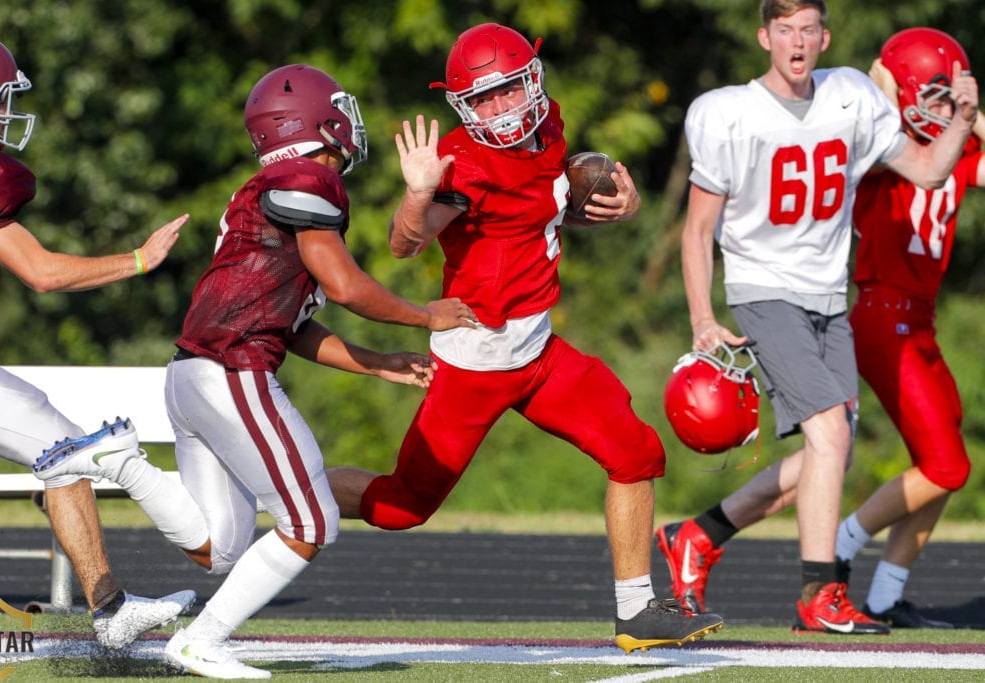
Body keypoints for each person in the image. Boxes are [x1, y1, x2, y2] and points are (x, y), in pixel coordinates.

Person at [326, 22, 725, 655]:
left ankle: (637, 611)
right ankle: (291, 486)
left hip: (538, 353)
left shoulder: (551, 128)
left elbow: (544, 201)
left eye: (507, 91)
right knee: (402, 507)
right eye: (481, 100)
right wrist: (416, 193)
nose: (498, 110)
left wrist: (626, 204)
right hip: (475, 362)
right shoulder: (466, 163)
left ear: (532, 83)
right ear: (462, 107)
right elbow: (405, 245)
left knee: (637, 454)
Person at [657, 1, 978, 634]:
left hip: (829, 294)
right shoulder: (729, 112)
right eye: (785, 30)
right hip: (763, 287)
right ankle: (821, 594)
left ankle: (698, 534)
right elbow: (697, 231)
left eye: (809, 30)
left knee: (831, 452)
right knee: (829, 432)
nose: (798, 42)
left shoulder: (851, 95)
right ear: (764, 38)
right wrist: (701, 317)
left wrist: (964, 120)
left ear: (825, 38)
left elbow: (927, 167)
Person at [151, 63, 475, 680]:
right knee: (312, 520)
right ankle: (202, 641)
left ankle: (122, 463)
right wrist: (425, 317)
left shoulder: (271, 185)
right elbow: (346, 286)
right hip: (232, 371)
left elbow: (290, 322)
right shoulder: (309, 179)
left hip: (193, 373)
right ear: (314, 122)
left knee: (221, 547)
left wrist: (376, 364)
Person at [0, 30, 196, 648]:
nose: (7, 114)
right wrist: (139, 260)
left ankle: (110, 609)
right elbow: (42, 273)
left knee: (66, 454)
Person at [836, 27, 985, 629]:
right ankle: (839, 549)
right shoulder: (880, 147)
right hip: (880, 314)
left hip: (918, 322)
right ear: (903, 93)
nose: (947, 110)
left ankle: (883, 598)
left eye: (954, 99)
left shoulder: (953, 144)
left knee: (942, 461)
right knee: (948, 467)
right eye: (939, 96)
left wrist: (972, 117)